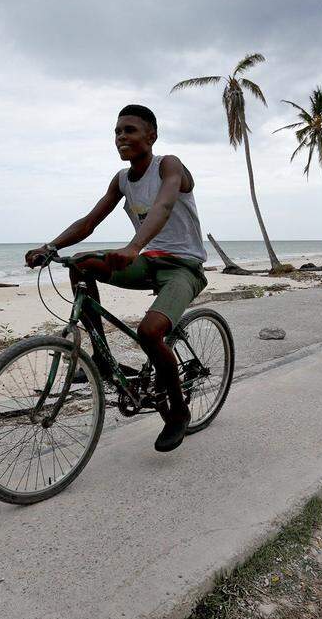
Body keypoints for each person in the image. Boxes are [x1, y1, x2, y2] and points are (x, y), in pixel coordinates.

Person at [24, 104, 207, 453]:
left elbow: (164, 206)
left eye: (130, 130)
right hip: (147, 260)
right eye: (117, 131)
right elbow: (89, 222)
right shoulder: (122, 179)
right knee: (81, 263)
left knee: (150, 332)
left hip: (183, 266)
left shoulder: (169, 165)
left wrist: (135, 245)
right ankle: (101, 358)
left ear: (151, 136)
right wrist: (50, 246)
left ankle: (179, 412)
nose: (122, 137)